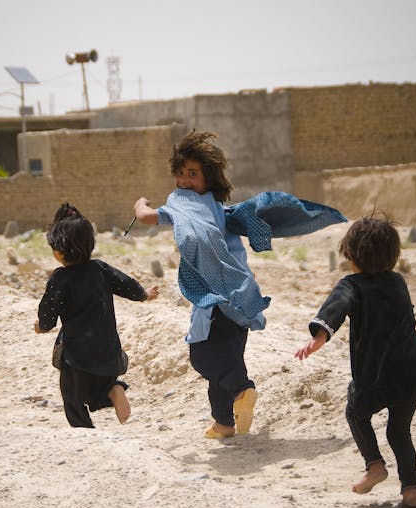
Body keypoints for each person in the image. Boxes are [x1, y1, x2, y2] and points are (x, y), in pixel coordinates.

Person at [295, 216, 416, 508]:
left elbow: (337, 307)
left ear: (351, 256)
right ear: (392, 256)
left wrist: (320, 336)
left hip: (375, 376)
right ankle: (411, 489)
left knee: (356, 412)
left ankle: (375, 466)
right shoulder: (398, 282)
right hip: (411, 373)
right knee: (399, 431)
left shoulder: (351, 285)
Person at [133, 130, 263, 439]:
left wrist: (139, 204)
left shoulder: (187, 206)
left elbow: (148, 217)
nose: (185, 181)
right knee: (226, 362)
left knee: (202, 355)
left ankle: (243, 391)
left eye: (192, 173)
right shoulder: (218, 208)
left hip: (215, 300)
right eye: (180, 174)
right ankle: (224, 424)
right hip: (238, 297)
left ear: (209, 178)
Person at [35, 203, 159, 428]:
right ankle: (114, 389)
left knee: (73, 397)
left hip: (77, 354)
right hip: (107, 350)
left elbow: (48, 313)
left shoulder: (60, 279)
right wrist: (144, 294)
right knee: (98, 389)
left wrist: (41, 326)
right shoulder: (100, 269)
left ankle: (85, 431)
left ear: (59, 251)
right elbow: (126, 284)